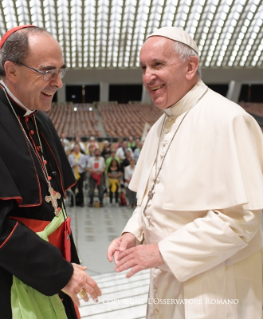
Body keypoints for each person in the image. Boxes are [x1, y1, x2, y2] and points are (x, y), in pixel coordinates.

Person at [107, 26, 263, 319]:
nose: (147, 77)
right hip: (166, 281)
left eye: (157, 64)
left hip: (213, 287)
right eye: (143, 67)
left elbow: (242, 219)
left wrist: (162, 252)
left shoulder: (229, 120)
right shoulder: (159, 127)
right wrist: (132, 234)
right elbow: (149, 201)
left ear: (190, 67)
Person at [0, 25, 101, 319]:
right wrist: (60, 273)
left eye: (61, 71)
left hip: (53, 267)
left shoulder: (39, 117)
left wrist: (69, 268)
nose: (57, 82)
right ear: (12, 70)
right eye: (47, 71)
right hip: (5, 278)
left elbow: (55, 208)